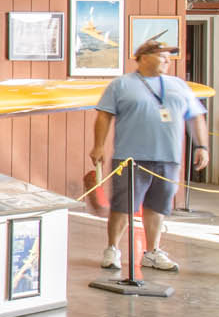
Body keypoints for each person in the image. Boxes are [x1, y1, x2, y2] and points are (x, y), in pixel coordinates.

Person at [89, 39, 209, 273]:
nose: (167, 59)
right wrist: (98, 146)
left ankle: (152, 251)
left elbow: (195, 117)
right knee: (122, 205)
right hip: (130, 156)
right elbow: (104, 115)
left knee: (158, 205)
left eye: (169, 55)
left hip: (168, 156)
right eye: (161, 54)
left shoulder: (179, 85)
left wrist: (201, 146)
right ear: (143, 57)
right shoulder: (121, 85)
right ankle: (112, 248)